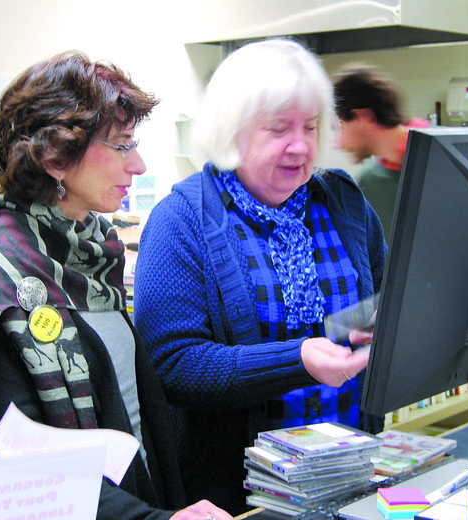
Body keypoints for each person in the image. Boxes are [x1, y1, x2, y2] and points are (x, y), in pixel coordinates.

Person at [0, 50, 231, 520]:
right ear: (56, 155)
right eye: (121, 145)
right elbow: (15, 459)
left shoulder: (94, 248)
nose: (136, 164)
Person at [133, 39, 387, 515]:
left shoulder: (345, 203)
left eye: (310, 127)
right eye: (278, 130)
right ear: (231, 131)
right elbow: (172, 366)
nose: (301, 145)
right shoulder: (182, 220)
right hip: (241, 499)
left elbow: (388, 301)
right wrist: (299, 359)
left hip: (352, 480)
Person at [333, 65, 431, 239]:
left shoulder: (437, 160)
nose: (338, 144)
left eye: (340, 128)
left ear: (362, 118)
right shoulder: (369, 182)